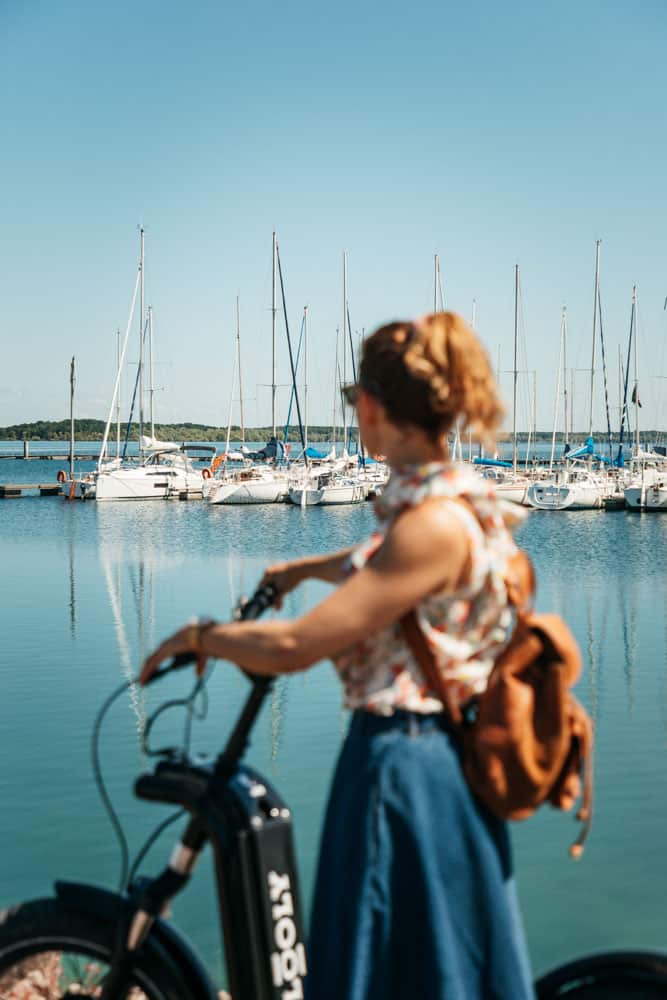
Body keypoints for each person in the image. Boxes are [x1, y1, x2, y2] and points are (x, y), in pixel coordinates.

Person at [140, 312, 535, 1000]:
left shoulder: (432, 525)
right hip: (431, 763)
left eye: (353, 400)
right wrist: (299, 569)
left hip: (403, 770)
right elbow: (380, 564)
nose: (354, 413)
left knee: (381, 972)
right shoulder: (450, 500)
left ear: (375, 406)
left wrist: (200, 636)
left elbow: (296, 646)